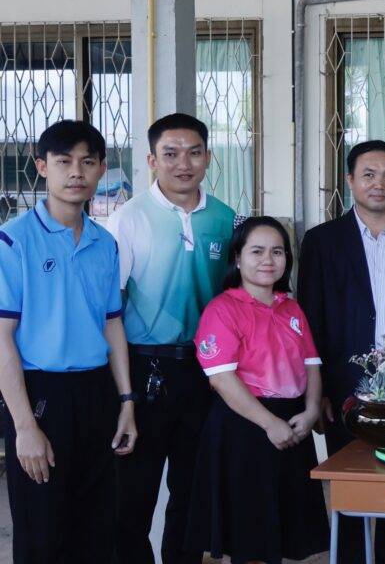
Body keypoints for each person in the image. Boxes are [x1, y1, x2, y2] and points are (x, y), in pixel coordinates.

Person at [297, 139, 385, 564]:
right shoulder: (321, 241)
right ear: (350, 180)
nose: (379, 184)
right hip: (345, 386)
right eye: (369, 175)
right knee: (351, 489)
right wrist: (318, 392)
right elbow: (310, 320)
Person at [0, 120, 137, 563]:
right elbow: (2, 339)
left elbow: (112, 325)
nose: (76, 172)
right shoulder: (13, 240)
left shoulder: (104, 243)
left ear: (101, 169)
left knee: (97, 526)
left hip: (96, 391)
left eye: (87, 162)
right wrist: (24, 426)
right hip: (41, 394)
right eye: (64, 162)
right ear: (42, 166)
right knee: (42, 529)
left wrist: (126, 401)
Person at [107, 113, 237, 564]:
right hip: (145, 369)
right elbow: (110, 310)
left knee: (192, 490)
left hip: (206, 372)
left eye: (194, 153)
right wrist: (122, 390)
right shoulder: (128, 219)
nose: (184, 163)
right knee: (133, 494)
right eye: (171, 153)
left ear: (208, 157)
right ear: (152, 160)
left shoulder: (225, 218)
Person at [185, 217, 329, 563]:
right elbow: (221, 379)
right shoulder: (222, 309)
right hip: (245, 427)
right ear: (237, 257)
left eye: (277, 252)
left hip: (293, 423)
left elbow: (311, 364)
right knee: (249, 536)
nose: (268, 260)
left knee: (281, 532)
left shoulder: (292, 307)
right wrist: (269, 424)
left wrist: (311, 411)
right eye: (257, 251)